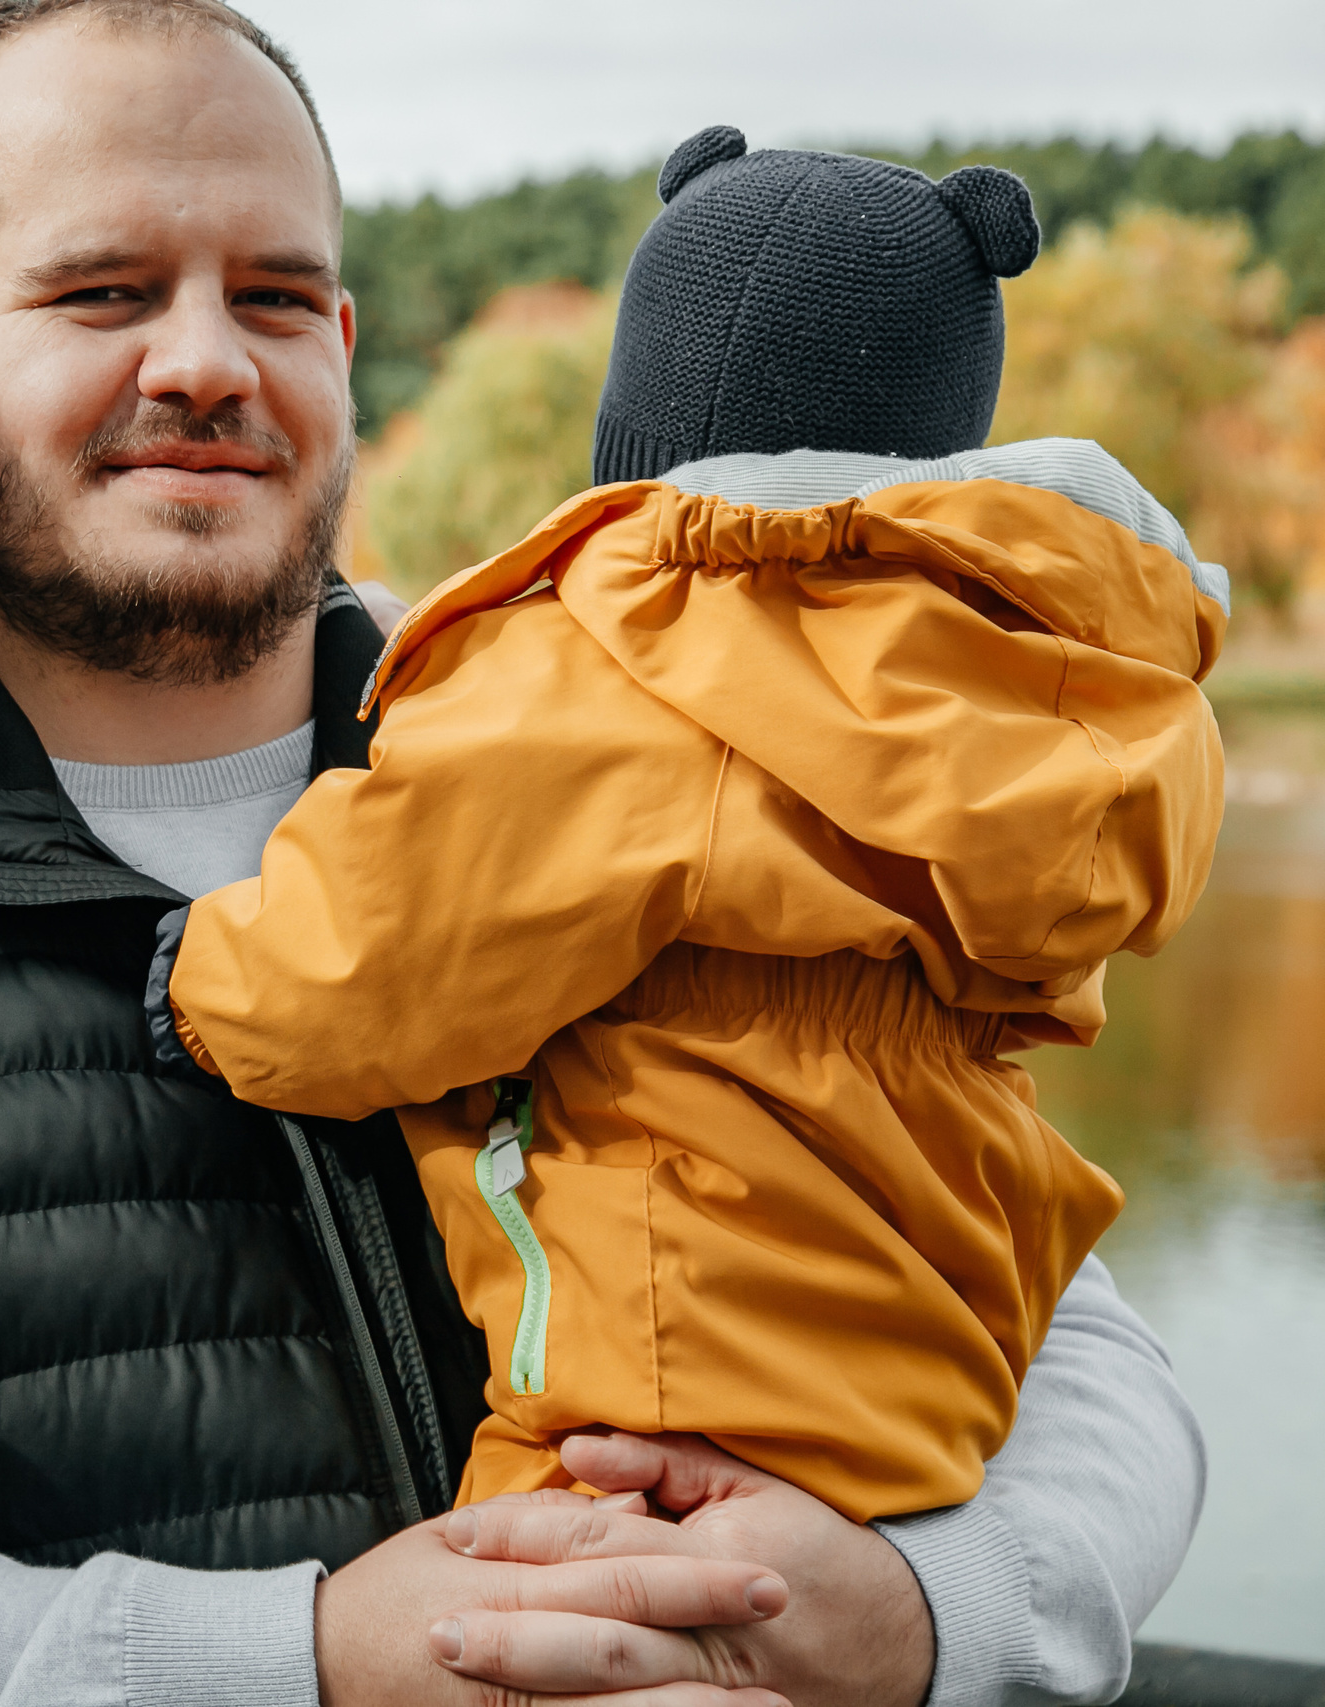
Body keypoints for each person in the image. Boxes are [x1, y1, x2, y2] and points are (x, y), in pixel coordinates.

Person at [0, 6, 1205, 1704]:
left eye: (276, 299)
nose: (209, 360)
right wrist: (307, 1669)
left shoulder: (662, 746)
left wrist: (920, 1619)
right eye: (105, 291)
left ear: (345, 350)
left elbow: (1078, 1354)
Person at [154, 129, 1229, 1524]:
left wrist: (200, 981)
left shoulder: (644, 663)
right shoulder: (1017, 674)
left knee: (535, 1616)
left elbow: (373, 958)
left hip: (666, 1357)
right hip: (940, 1342)